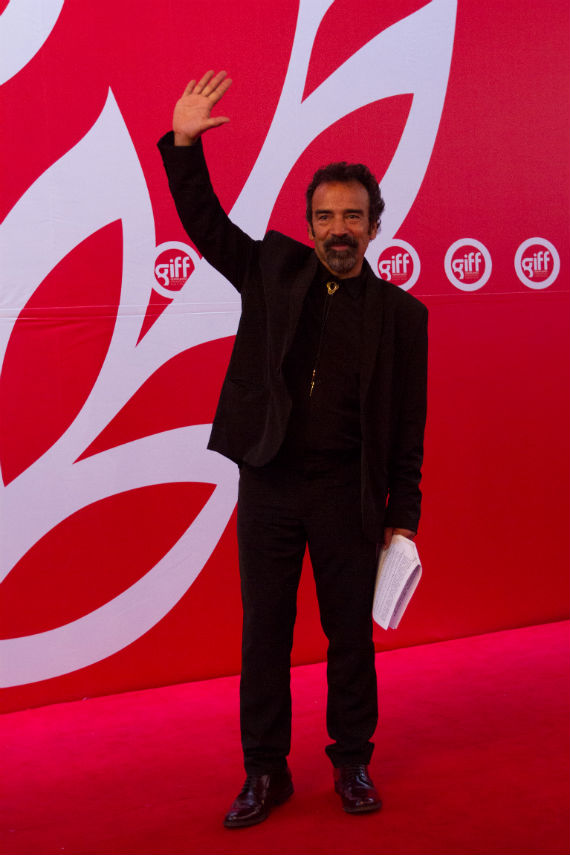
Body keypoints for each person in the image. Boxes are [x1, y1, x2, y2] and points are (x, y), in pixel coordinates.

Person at [158, 71, 428, 828]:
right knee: (264, 632)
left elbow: (410, 429)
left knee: (349, 633)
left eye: (353, 216)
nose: (338, 228)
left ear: (376, 224)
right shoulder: (272, 271)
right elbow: (206, 225)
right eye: (325, 216)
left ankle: (352, 763)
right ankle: (265, 771)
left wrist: (399, 519)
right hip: (270, 484)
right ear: (308, 225)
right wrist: (184, 143)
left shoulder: (404, 317)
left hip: (350, 492)